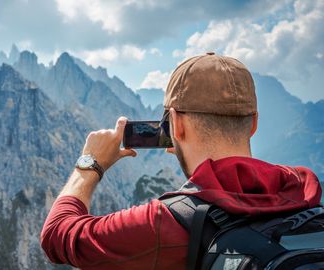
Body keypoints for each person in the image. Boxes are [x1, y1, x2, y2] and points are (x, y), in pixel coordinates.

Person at [40, 52, 322, 269]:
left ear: (175, 123)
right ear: (253, 124)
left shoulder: (166, 223)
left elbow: (57, 235)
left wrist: (89, 163)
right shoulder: (302, 192)